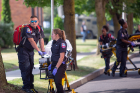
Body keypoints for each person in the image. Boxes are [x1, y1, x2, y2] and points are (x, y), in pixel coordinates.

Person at [18, 16, 46, 93]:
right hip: (23, 51)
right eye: (32, 21)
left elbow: (41, 39)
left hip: (30, 51)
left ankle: (31, 86)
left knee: (30, 68)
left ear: (38, 21)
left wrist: (43, 50)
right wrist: (38, 50)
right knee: (25, 68)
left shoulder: (39, 28)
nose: (34, 23)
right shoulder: (27, 29)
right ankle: (26, 87)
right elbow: (31, 40)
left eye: (35, 21)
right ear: (30, 22)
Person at [49, 29, 67, 93]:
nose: (51, 35)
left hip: (60, 65)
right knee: (56, 83)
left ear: (57, 35)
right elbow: (54, 54)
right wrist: (52, 64)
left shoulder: (62, 43)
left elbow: (61, 57)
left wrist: (56, 67)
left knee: (58, 82)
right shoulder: (53, 42)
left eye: (52, 34)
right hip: (54, 64)